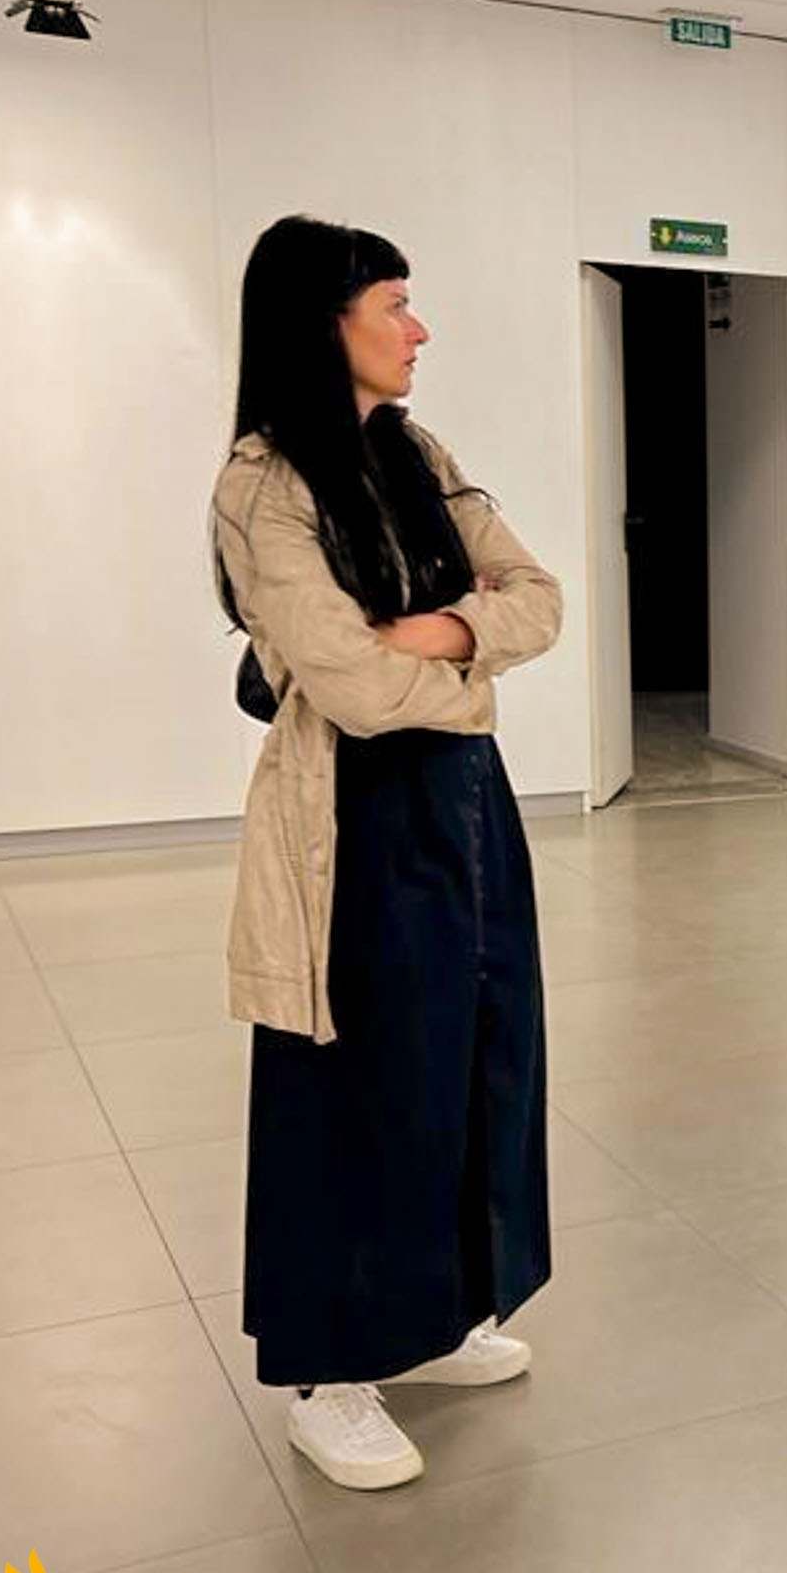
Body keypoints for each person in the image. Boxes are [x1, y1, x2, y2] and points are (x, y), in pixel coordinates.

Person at [208, 217, 563, 1492]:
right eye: (395, 305)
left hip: (464, 809)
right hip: (348, 827)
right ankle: (331, 1373)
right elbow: (349, 690)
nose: (419, 330)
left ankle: (436, 1312)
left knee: (469, 1064)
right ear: (326, 324)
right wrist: (469, 657)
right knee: (355, 1086)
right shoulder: (263, 485)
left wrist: (440, 632)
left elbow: (540, 600)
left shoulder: (418, 453)